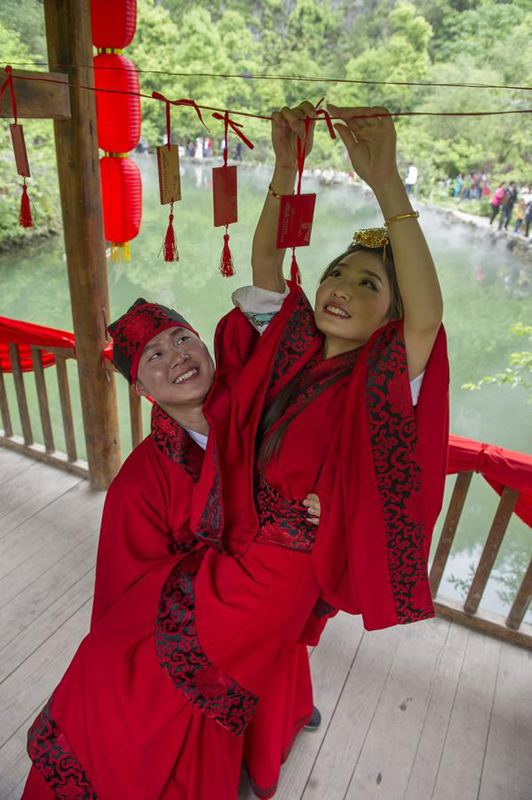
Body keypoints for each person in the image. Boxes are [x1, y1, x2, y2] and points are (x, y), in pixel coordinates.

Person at [190, 101, 449, 795]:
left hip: (289, 563)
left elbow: (429, 315)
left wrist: (387, 183)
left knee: (196, 664)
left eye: (371, 286)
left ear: (390, 320)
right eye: (339, 273)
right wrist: (282, 162)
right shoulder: (290, 342)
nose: (343, 289)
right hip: (237, 533)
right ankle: (250, 752)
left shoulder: (383, 381)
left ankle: (211, 769)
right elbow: (268, 257)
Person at [22, 298, 322, 799]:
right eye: (155, 356)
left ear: (205, 344)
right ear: (139, 389)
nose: (177, 356)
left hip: (266, 605)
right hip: (205, 622)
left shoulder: (260, 413)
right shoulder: (139, 483)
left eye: (183, 339)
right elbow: (126, 589)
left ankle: (277, 729)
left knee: (279, 662)